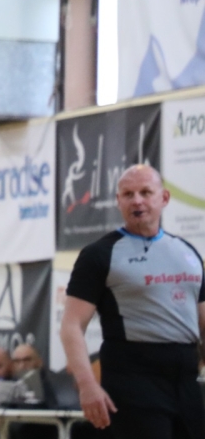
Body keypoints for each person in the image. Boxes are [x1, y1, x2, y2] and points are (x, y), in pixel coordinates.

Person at [61, 165, 205, 439]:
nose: (137, 200)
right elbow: (71, 325)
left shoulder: (187, 252)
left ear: (164, 198)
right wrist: (87, 385)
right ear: (118, 201)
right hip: (133, 378)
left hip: (186, 379)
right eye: (128, 194)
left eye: (145, 192)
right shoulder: (99, 254)